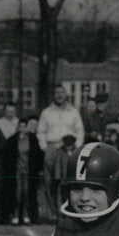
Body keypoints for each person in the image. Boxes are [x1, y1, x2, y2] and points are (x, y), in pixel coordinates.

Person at [37, 84, 85, 222]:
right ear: (53, 95)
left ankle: (67, 212)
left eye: (61, 92)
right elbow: (40, 131)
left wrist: (75, 148)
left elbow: (79, 131)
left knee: (67, 182)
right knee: (50, 183)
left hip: (68, 149)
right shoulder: (46, 112)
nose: (59, 95)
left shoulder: (73, 112)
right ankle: (52, 214)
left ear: (66, 94)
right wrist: (45, 147)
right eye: (56, 92)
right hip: (52, 148)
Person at [0, 117, 42, 225]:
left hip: (28, 171)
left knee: (27, 192)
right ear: (17, 127)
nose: (22, 128)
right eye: (20, 126)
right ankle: (15, 215)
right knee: (17, 193)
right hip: (17, 171)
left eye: (24, 126)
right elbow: (7, 156)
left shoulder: (33, 139)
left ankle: (26, 215)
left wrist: (37, 169)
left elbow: (38, 155)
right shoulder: (12, 140)